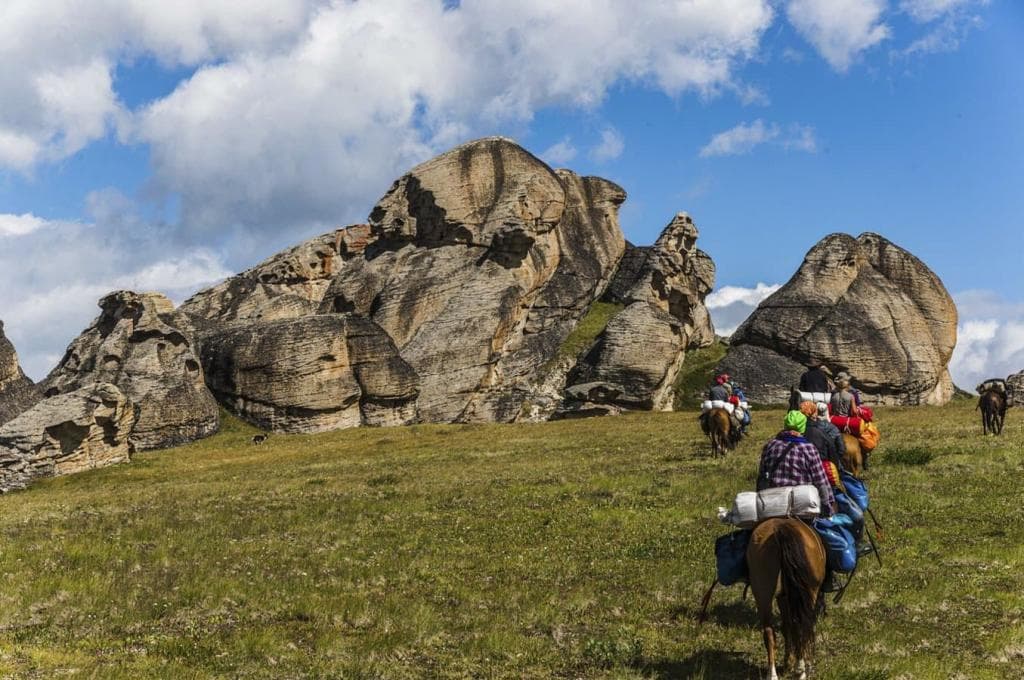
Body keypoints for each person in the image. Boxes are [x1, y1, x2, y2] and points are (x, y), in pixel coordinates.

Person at [757, 410, 835, 517]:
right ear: (803, 428)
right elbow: (820, 481)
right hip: (802, 503)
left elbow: (762, 476)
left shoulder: (770, 445)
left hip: (772, 502)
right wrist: (827, 505)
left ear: (785, 425)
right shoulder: (809, 448)